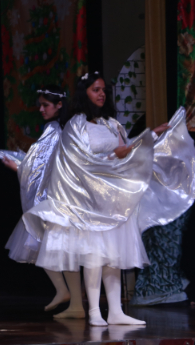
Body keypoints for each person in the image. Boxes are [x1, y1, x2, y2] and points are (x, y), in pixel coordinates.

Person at [23, 71, 195, 326]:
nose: (102, 94)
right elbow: (78, 161)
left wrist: (152, 136)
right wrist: (117, 155)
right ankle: (94, 311)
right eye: (96, 90)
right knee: (94, 255)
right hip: (89, 201)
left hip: (114, 200)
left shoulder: (112, 124)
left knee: (113, 256)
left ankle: (115, 311)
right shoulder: (76, 125)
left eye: (103, 90)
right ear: (84, 93)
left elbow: (127, 150)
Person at [0, 84, 84, 319]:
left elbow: (40, 167)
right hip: (63, 196)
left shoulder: (54, 130)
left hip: (56, 198)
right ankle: (70, 297)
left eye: (46, 105)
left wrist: (18, 167)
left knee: (44, 242)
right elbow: (42, 164)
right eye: (40, 105)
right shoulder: (62, 129)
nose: (41, 109)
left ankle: (68, 295)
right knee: (53, 248)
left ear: (59, 105)